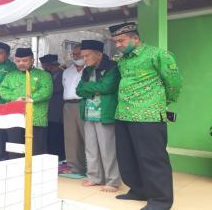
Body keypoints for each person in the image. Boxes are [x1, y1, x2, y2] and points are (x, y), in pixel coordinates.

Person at [109, 22, 182, 210]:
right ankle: (138, 190)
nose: (118, 45)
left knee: (153, 159)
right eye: (115, 41)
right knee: (127, 157)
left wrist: (160, 103)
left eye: (121, 40)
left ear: (135, 37)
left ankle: (160, 201)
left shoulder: (158, 55)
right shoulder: (122, 60)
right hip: (123, 113)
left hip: (148, 115)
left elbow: (174, 83)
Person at [76, 40, 121, 192]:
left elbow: (107, 87)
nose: (84, 59)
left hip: (105, 113)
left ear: (99, 54)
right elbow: (78, 90)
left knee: (108, 149)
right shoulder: (87, 70)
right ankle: (95, 178)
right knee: (91, 148)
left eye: (87, 56)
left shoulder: (112, 67)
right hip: (89, 113)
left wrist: (90, 88)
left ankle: (112, 181)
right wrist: (95, 89)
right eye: (83, 56)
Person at [0, 48, 53, 158]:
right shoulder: (10, 76)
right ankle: (15, 171)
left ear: (32, 60)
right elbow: (3, 91)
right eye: (18, 61)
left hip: (36, 118)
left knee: (36, 150)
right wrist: (16, 98)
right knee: (15, 149)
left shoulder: (44, 75)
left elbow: (46, 92)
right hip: (14, 118)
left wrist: (27, 99)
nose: (21, 63)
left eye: (25, 61)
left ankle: (36, 173)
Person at [61, 44, 86, 177]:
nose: (76, 56)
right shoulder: (67, 71)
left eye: (79, 54)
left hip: (84, 103)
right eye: (74, 54)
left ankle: (93, 168)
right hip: (68, 106)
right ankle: (74, 168)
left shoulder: (90, 69)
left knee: (87, 136)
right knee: (71, 137)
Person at [39, 54, 66, 160]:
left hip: (58, 109)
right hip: (46, 110)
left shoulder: (63, 74)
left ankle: (60, 156)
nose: (44, 68)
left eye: (45, 66)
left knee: (58, 134)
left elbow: (56, 89)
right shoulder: (45, 75)